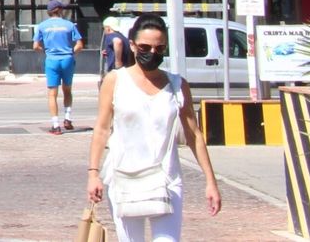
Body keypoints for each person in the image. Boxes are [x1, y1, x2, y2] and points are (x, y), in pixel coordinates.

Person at [87, 13, 222, 241]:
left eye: (159, 48)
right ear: (132, 45)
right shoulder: (115, 80)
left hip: (166, 178)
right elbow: (101, 130)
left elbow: (193, 134)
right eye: (145, 47)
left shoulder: (177, 85)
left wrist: (211, 181)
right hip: (123, 178)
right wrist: (93, 174)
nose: (152, 53)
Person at [33, 0, 83, 134]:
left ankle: (55, 125)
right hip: (67, 59)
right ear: (59, 10)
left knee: (52, 94)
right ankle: (67, 118)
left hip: (52, 60)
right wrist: (71, 53)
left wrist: (46, 51)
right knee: (67, 90)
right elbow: (80, 45)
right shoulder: (69, 25)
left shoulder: (42, 26)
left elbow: (35, 46)